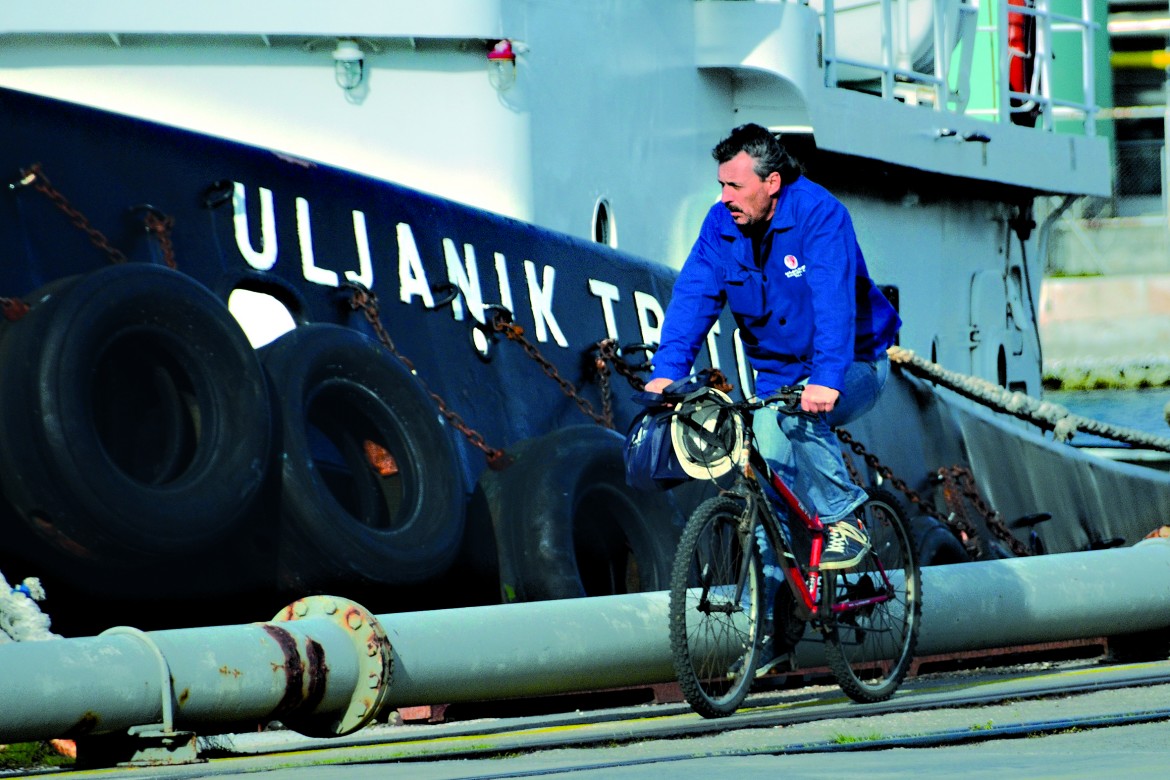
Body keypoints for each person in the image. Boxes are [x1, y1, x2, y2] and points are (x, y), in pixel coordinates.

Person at [644, 123, 901, 570]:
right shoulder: (720, 224)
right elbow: (693, 299)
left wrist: (823, 380)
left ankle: (847, 523)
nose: (724, 196)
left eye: (735, 186)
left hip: (851, 363)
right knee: (762, 488)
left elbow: (833, 304)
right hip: (779, 378)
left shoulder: (820, 215)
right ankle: (772, 614)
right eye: (721, 184)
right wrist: (666, 371)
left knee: (797, 415)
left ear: (772, 182)